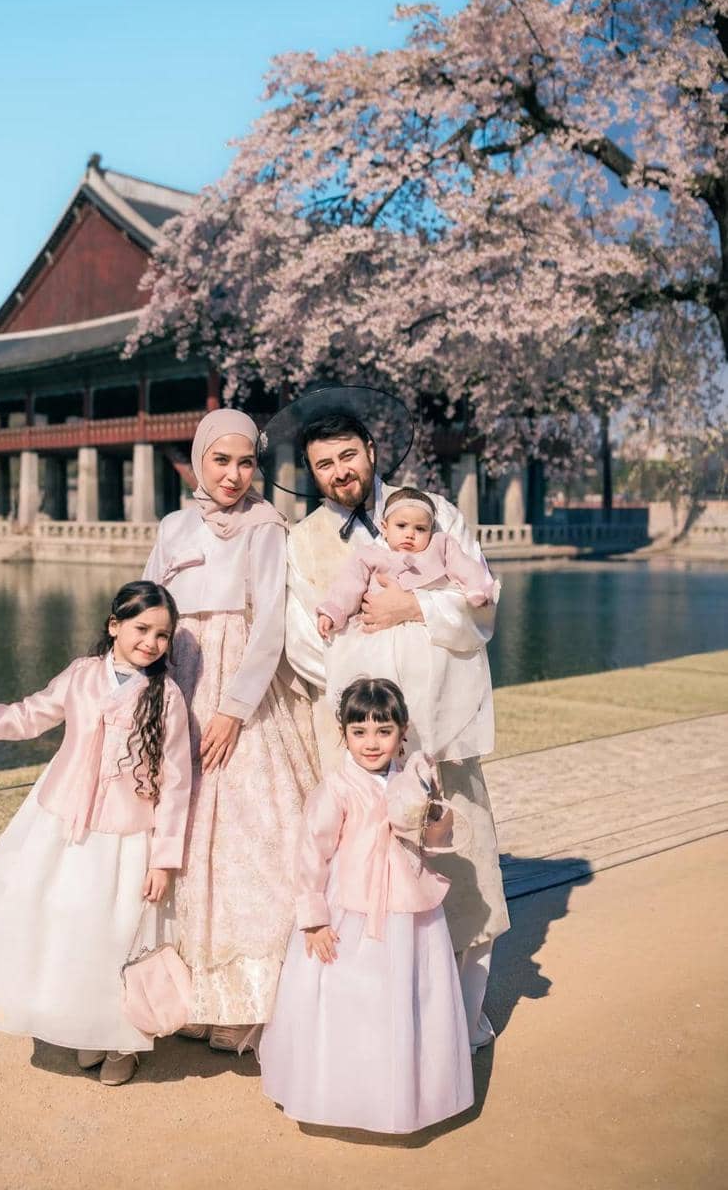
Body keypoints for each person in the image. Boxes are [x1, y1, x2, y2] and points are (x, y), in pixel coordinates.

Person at [278, 403, 509, 1053]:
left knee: (461, 868)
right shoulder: (307, 539)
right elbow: (305, 642)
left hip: (439, 720)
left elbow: (483, 599)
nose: (338, 470)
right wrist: (372, 721)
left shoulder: (435, 512)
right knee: (370, 880)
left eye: (347, 454)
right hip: (364, 736)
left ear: (372, 451)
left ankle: (460, 1022)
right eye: (324, 463)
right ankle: (379, 1027)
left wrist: (413, 606)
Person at [0, 581, 192, 1086]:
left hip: (126, 836)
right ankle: (82, 1028)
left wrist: (164, 859)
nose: (151, 642)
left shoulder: (167, 695)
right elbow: (27, 715)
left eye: (162, 635)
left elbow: (177, 781)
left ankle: (119, 1041)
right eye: (141, 629)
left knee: (114, 935)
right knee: (69, 927)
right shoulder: (82, 676)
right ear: (114, 626)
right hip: (65, 826)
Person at [143, 408, 317, 1051]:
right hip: (180, 670)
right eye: (222, 460)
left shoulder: (266, 525)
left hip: (240, 677)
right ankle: (187, 992)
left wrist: (234, 708)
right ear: (198, 460)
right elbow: (146, 598)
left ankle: (250, 1002)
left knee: (252, 829)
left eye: (247, 463)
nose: (235, 475)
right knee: (181, 828)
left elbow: (270, 617)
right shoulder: (173, 526)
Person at [260, 678, 474, 1134]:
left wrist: (434, 822)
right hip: (351, 907)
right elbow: (310, 856)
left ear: (402, 732)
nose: (371, 742)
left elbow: (432, 841)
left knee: (406, 993)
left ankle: (403, 1091)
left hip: (408, 905)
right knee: (350, 995)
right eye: (359, 732)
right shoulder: (336, 788)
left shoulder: (413, 782)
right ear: (344, 734)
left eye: (383, 731)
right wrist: (315, 919)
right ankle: (341, 1090)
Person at [316, 485, 499, 760]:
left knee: (433, 691)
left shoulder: (442, 547)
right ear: (385, 526)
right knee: (382, 688)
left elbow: (466, 568)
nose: (410, 534)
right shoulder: (369, 555)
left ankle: (437, 743)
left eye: (420, 529)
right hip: (379, 639)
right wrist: (333, 611)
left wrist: (478, 589)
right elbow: (348, 586)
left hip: (426, 640)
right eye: (402, 526)